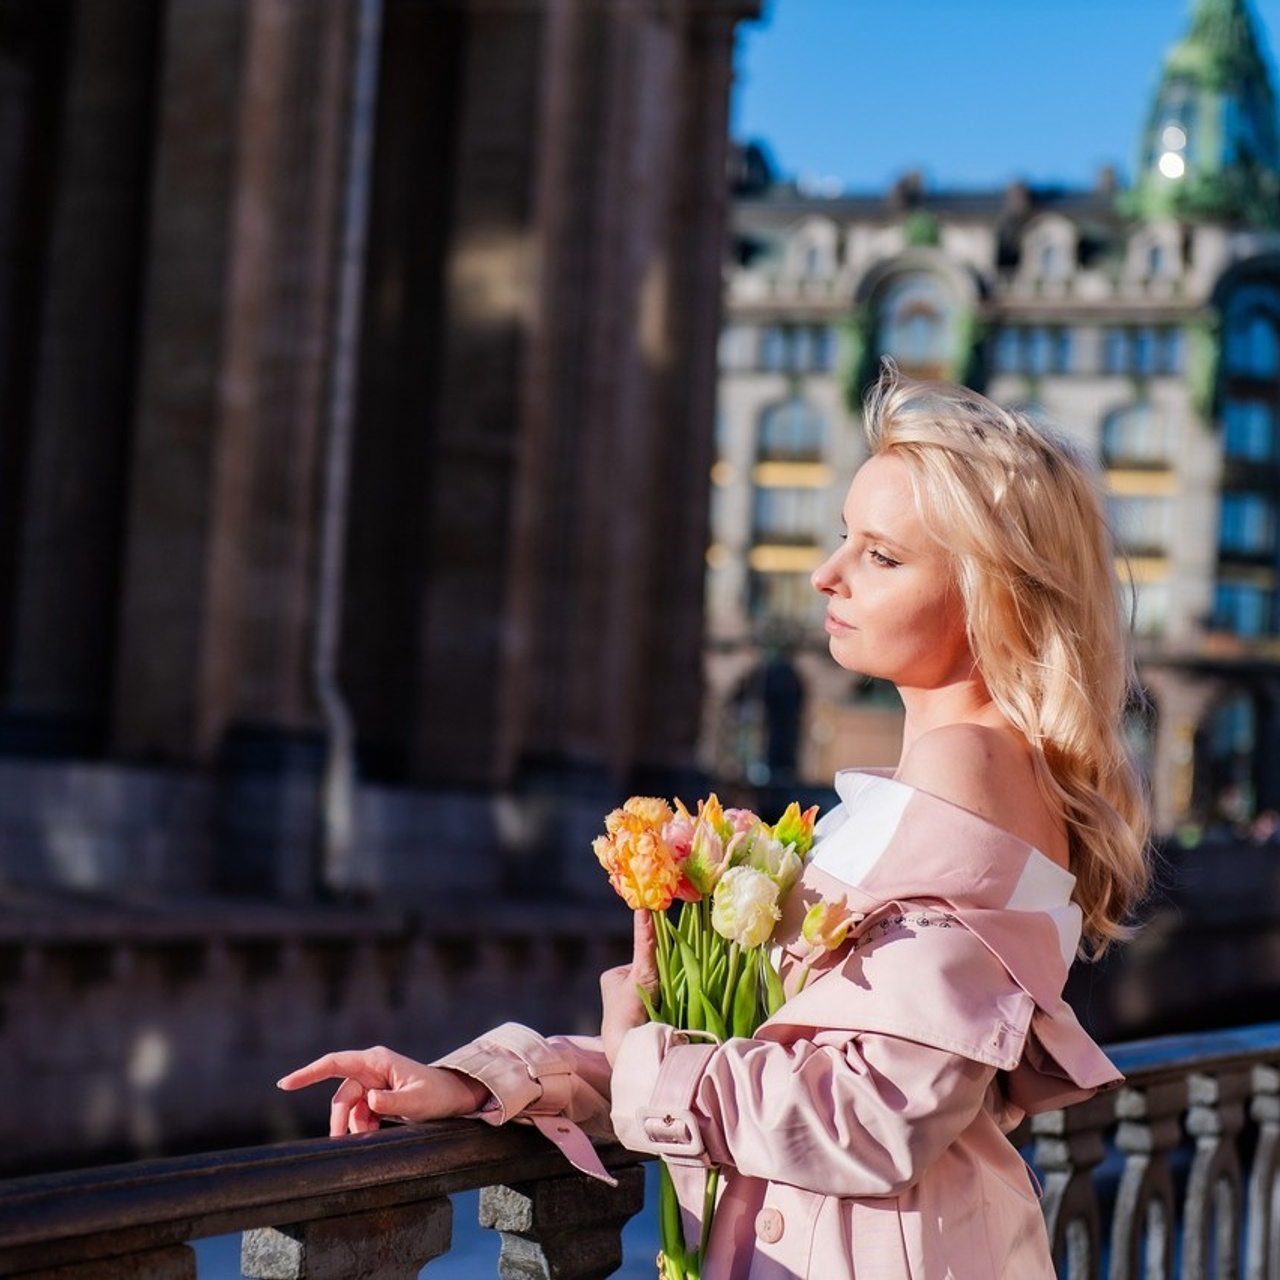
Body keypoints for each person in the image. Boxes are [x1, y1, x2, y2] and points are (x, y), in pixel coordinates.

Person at [279, 363, 1150, 1278]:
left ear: (993, 594)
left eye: (881, 557)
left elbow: (874, 1114)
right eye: (844, 538)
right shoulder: (951, 773)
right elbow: (753, 1056)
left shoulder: (968, 766)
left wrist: (639, 1065)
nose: (826, 575)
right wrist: (485, 1081)